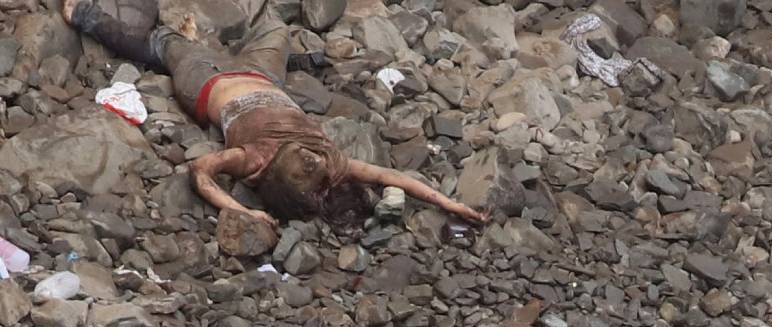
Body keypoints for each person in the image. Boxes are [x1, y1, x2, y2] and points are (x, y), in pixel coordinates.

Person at [59, 0, 488, 242]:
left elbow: (200, 172)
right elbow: (396, 176)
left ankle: (83, 14)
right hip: (265, 75)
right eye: (316, 164)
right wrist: (450, 204)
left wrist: (242, 211)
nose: (312, 159)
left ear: (284, 184)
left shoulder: (254, 160)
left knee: (164, 44)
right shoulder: (334, 165)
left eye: (305, 170)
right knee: (276, 29)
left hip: (207, 81)